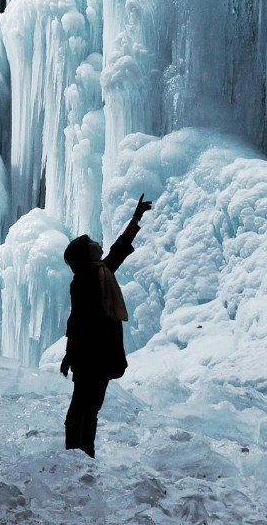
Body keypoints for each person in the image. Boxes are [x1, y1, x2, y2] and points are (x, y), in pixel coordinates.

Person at [60, 194, 152, 457]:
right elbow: (76, 321)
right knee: (82, 407)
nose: (99, 244)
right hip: (90, 356)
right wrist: (70, 354)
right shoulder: (84, 280)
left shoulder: (101, 273)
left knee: (90, 408)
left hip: (100, 355)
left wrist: (136, 218)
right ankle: (76, 453)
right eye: (93, 243)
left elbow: (119, 249)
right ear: (86, 254)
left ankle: (83, 453)